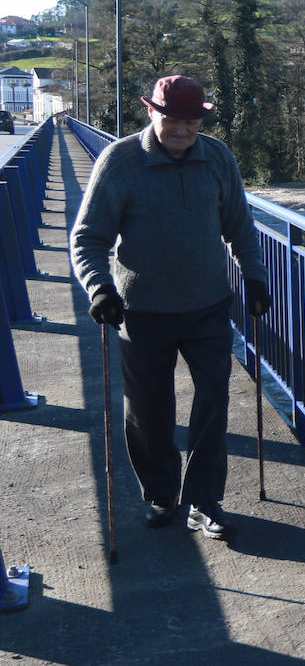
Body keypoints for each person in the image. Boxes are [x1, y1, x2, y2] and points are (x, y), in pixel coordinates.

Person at [70, 75, 271, 540]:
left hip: (207, 305)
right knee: (147, 410)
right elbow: (88, 237)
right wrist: (99, 288)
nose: (182, 129)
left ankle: (204, 501)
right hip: (140, 310)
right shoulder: (119, 162)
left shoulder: (217, 156)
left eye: (191, 121)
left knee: (213, 402)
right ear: (152, 113)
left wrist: (255, 276)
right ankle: (162, 493)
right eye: (172, 119)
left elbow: (239, 225)